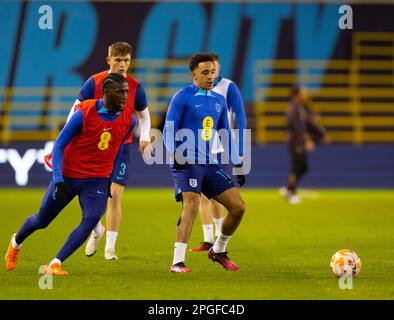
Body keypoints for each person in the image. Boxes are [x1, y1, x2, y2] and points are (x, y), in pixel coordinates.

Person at [5, 73, 135, 275]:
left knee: (92, 218)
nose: (125, 97)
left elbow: (117, 149)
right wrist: (58, 180)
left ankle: (55, 263)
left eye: (127, 92)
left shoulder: (129, 119)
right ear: (106, 92)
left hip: (96, 179)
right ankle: (16, 242)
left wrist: (110, 178)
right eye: (120, 92)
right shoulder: (84, 112)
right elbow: (59, 145)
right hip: (68, 176)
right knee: (42, 221)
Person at [58, 42, 151, 260]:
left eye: (126, 60)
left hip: (120, 146)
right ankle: (96, 227)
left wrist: (145, 137)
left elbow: (143, 114)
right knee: (89, 193)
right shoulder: (94, 82)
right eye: (118, 60)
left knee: (116, 195)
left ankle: (110, 248)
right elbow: (76, 109)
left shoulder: (135, 87)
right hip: (93, 146)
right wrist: (68, 135)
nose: (122, 65)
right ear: (108, 59)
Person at [164, 53, 247, 273]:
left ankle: (218, 249)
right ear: (193, 74)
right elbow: (168, 129)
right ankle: (177, 262)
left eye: (212, 72)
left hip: (209, 163)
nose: (210, 77)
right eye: (205, 73)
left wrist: (238, 162)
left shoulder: (219, 101)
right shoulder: (182, 97)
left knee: (238, 207)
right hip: (185, 161)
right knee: (192, 203)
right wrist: (174, 154)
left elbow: (225, 134)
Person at [190, 53, 247, 252]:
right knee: (201, 197)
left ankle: (217, 236)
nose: (211, 73)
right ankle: (208, 239)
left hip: (218, 147)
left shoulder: (228, 87)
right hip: (198, 148)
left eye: (213, 68)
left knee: (215, 197)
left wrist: (239, 154)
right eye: (206, 70)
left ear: (218, 67)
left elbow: (240, 118)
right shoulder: (196, 90)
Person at [279, 85, 329, 204]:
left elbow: (308, 124)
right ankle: (291, 193)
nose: (305, 94)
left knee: (303, 168)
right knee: (297, 167)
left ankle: (288, 189)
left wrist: (321, 134)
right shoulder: (293, 109)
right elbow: (298, 127)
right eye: (303, 92)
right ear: (297, 95)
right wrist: (306, 139)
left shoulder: (300, 108)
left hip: (299, 141)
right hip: (296, 142)